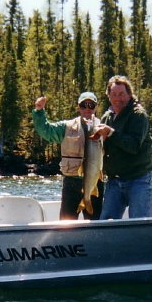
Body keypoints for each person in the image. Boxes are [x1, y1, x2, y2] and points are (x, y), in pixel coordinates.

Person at [91, 75, 152, 219]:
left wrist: (111, 133)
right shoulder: (107, 117)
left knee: (139, 227)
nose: (117, 98)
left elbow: (133, 146)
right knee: (106, 226)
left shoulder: (138, 115)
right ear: (109, 96)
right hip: (114, 181)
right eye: (113, 94)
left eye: (121, 94)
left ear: (130, 94)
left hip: (139, 180)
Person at [32, 92, 104, 220]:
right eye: (83, 105)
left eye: (91, 105)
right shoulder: (66, 127)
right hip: (71, 183)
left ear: (96, 107)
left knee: (95, 223)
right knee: (66, 224)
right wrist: (39, 111)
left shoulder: (104, 127)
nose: (87, 108)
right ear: (78, 107)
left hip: (94, 183)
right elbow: (45, 130)